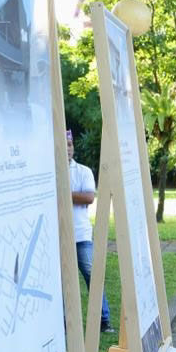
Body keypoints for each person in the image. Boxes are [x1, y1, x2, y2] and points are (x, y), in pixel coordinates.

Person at [67, 130, 113, 333]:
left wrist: (62, 193)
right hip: (57, 237)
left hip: (80, 234)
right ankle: (63, 323)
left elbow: (88, 197)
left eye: (70, 144)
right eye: (64, 144)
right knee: (60, 281)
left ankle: (103, 319)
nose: (67, 148)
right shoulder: (49, 170)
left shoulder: (83, 171)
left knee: (91, 275)